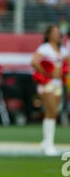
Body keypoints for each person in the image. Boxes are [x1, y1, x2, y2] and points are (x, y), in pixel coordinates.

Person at [31, 25, 68, 156]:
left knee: (54, 113)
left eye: (58, 33)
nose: (57, 35)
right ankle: (48, 144)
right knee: (50, 111)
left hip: (58, 84)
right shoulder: (44, 48)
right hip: (47, 84)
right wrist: (46, 73)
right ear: (48, 35)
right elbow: (34, 61)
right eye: (54, 33)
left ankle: (47, 142)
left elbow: (67, 63)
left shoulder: (62, 49)